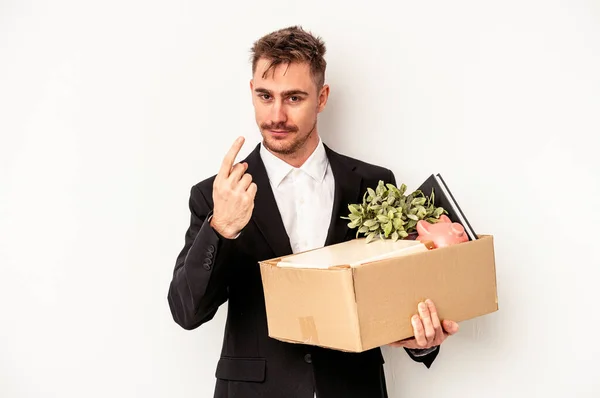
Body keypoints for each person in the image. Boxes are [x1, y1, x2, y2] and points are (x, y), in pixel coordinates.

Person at [167, 25, 459, 398]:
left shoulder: (374, 184)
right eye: (264, 96)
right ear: (251, 93)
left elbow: (398, 300)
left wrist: (422, 339)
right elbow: (186, 311)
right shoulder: (216, 194)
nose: (276, 115)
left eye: (293, 98)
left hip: (354, 387)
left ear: (321, 98)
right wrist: (221, 227)